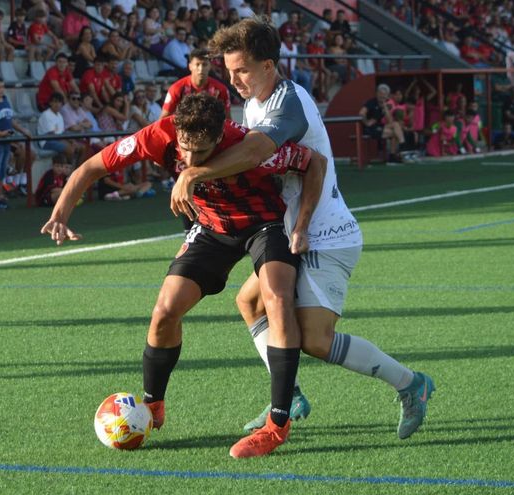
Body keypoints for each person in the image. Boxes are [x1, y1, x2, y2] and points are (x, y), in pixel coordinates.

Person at [170, 18, 435, 455]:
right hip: (295, 233)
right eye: (230, 70)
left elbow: (257, 152)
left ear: (269, 66)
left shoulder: (288, 103)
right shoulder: (256, 104)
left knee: (313, 338)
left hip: (324, 236)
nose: (233, 80)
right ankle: (289, 395)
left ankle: (411, 384)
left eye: (242, 70)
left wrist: (194, 173)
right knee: (250, 301)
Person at [41, 93, 324, 459]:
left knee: (277, 297)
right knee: (165, 310)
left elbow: (314, 163)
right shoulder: (159, 135)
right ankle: (153, 404)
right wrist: (61, 213)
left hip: (264, 225)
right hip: (211, 229)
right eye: (185, 150)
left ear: (221, 137)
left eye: (201, 152)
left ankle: (277, 423)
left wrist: (301, 225)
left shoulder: (252, 147)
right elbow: (91, 168)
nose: (189, 159)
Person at [0, 76, 31, 211]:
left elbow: (10, 121)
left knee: (2, 171)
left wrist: (23, 130)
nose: (1, 90)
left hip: (5, 141)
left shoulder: (5, 101)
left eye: (3, 87)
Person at [159, 48, 230, 120]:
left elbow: (227, 119)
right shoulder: (177, 88)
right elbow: (164, 119)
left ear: (210, 66)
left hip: (211, 129)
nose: (201, 69)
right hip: (183, 129)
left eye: (204, 65)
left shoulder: (221, 90)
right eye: (197, 64)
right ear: (190, 66)